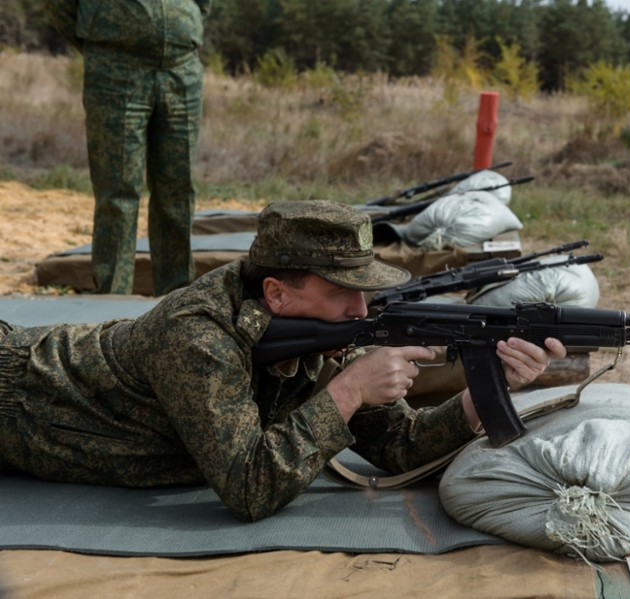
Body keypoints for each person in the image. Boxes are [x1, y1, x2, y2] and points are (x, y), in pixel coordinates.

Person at [0, 200, 566, 522]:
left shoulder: (319, 329)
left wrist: (481, 395)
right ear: (276, 294)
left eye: (364, 291)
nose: (361, 309)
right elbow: (249, 487)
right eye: (343, 292)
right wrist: (346, 392)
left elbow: (396, 447)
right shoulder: (195, 336)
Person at [43, 0, 211, 295]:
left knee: (178, 190)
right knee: (118, 192)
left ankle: (178, 299)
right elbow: (60, 5)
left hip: (182, 69)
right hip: (116, 67)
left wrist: (186, 23)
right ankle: (112, 301)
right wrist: (103, 37)